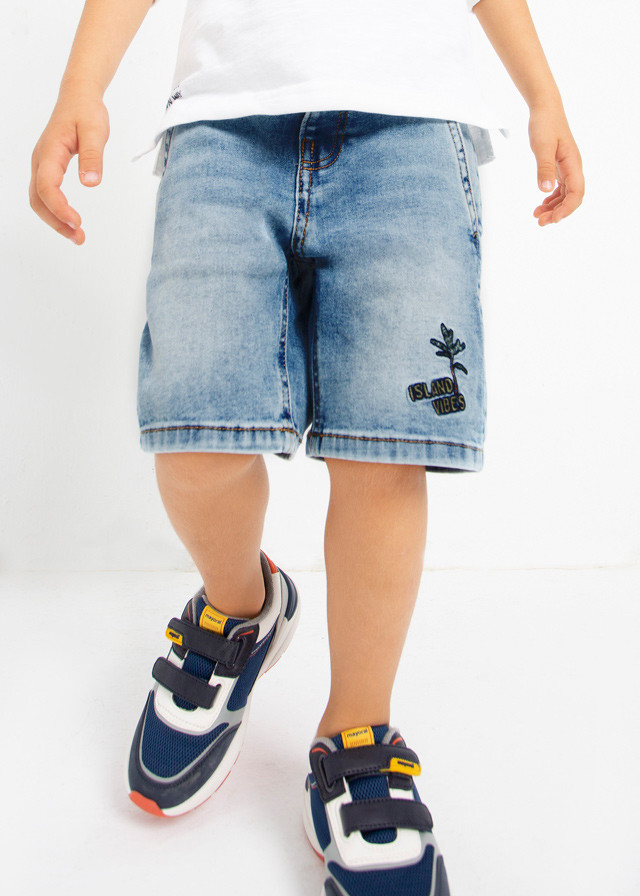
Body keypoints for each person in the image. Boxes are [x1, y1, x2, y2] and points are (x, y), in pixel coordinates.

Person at [28, 1, 585, 893]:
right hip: (222, 132)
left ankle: (358, 735)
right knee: (195, 434)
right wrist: (79, 85)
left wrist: (543, 94)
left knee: (387, 452)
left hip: (409, 134)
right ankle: (239, 609)